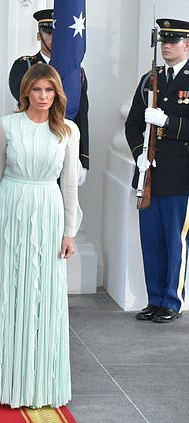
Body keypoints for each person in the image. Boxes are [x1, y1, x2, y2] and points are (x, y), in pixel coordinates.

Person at [0, 63, 81, 409]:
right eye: (37, 90)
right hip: (10, 207)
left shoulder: (68, 130)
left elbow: (69, 185)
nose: (42, 97)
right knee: (9, 291)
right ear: (25, 92)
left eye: (49, 90)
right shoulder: (6, 126)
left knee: (44, 295)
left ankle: (40, 383)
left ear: (57, 94)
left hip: (48, 210)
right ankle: (6, 383)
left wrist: (70, 231)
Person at [125, 18, 189, 323]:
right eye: (164, 40)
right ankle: (154, 298)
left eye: (173, 41)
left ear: (187, 45)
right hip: (149, 175)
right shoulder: (149, 80)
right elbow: (133, 125)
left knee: (175, 240)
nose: (166, 46)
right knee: (151, 240)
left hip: (181, 176)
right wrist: (140, 154)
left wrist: (169, 124)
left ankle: (172, 301)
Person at [8, 9, 90, 185]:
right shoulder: (24, 66)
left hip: (65, 146)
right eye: (48, 32)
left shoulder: (76, 72)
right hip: (32, 147)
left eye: (57, 33)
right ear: (38, 35)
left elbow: (81, 116)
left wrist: (82, 158)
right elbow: (24, 103)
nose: (54, 38)